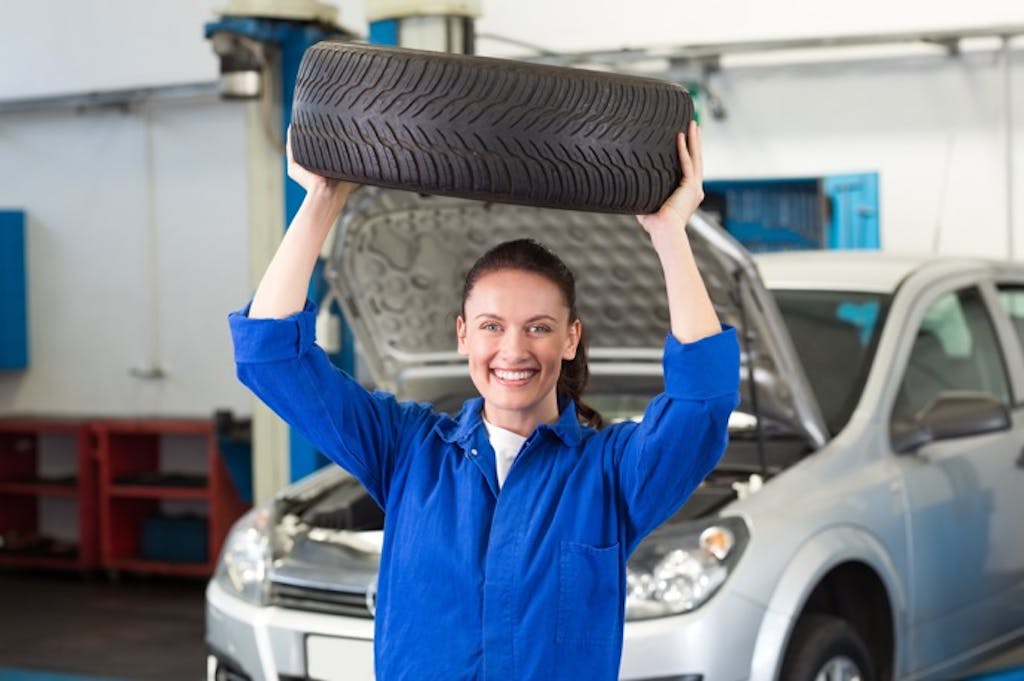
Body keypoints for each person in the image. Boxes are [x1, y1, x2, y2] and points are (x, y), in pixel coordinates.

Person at [229, 121, 740, 681]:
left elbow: (702, 403)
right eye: (492, 326)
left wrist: (669, 231)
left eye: (539, 327)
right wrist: (322, 199)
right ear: (463, 335)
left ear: (571, 338)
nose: (514, 350)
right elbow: (271, 357)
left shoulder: (612, 473)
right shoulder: (407, 451)